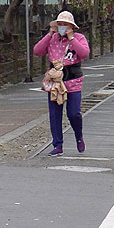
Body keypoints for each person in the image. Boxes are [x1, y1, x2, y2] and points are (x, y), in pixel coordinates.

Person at [33, 10, 90, 157]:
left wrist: (71, 39)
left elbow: (84, 53)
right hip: (55, 82)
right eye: (60, 24)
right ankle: (57, 144)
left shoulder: (79, 38)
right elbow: (37, 51)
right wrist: (50, 34)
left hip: (73, 81)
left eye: (66, 25)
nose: (63, 27)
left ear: (72, 26)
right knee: (55, 114)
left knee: (74, 113)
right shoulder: (52, 39)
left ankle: (79, 136)